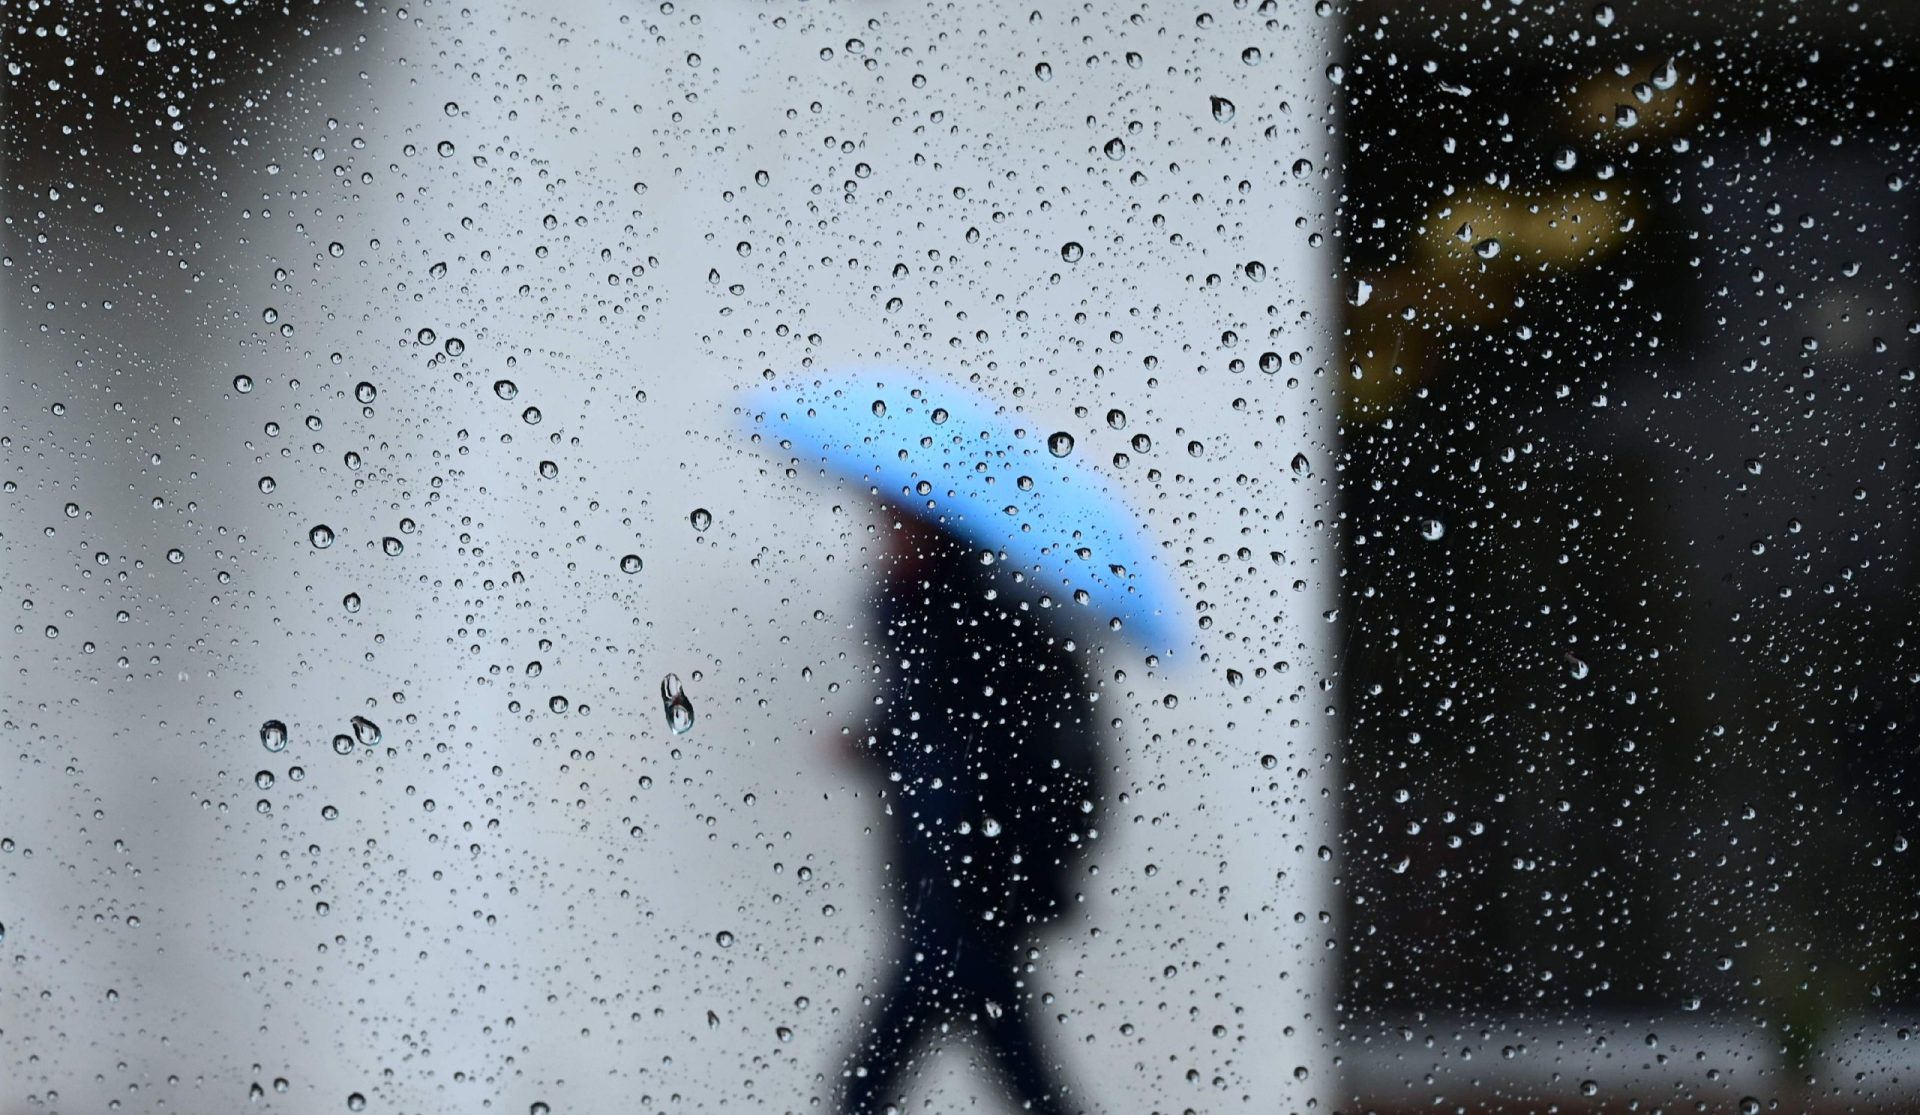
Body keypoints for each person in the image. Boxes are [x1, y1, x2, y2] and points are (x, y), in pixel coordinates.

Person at [834, 512, 1106, 1115]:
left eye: (897, 532)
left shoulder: (973, 623)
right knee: (1007, 1043)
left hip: (969, 880)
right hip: (953, 877)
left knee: (882, 1060)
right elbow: (933, 726)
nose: (883, 544)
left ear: (936, 539)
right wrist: (875, 741)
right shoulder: (933, 620)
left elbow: (982, 744)